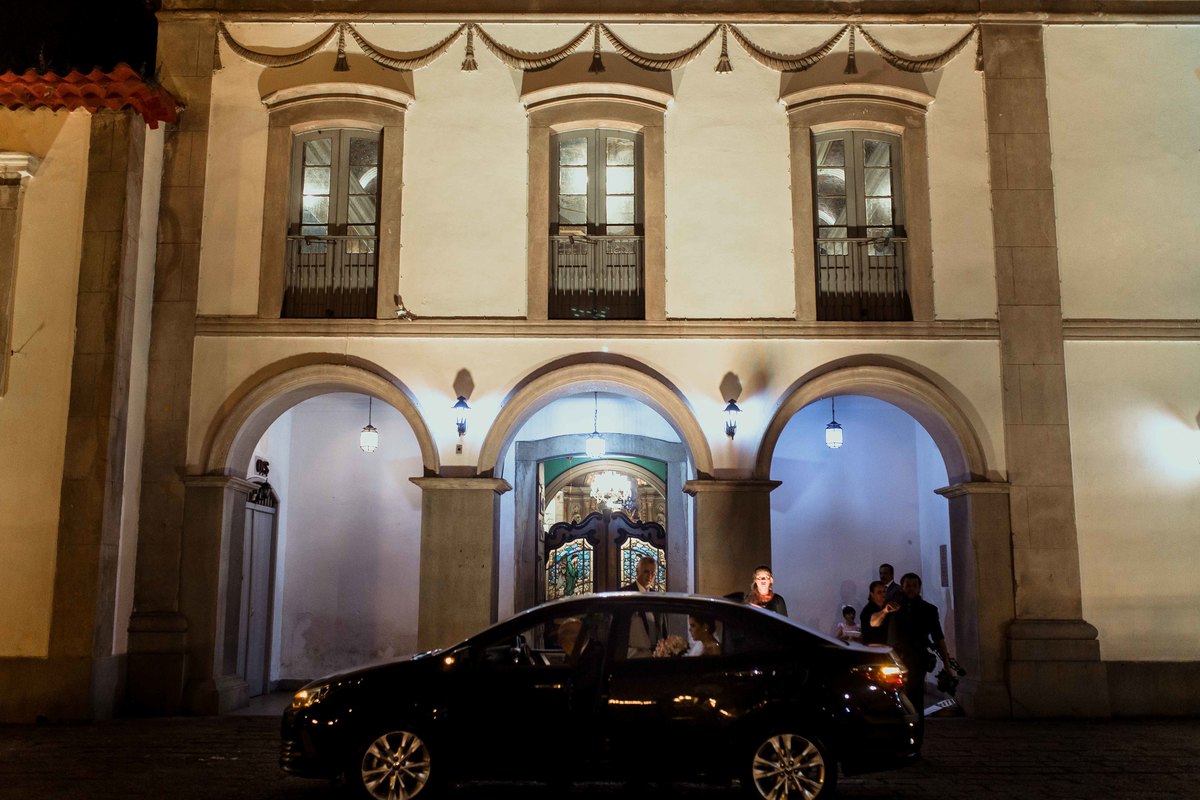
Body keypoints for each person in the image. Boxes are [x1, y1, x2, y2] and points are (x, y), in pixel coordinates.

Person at [888, 572, 953, 749]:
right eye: (908, 585)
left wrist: (946, 663)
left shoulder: (929, 610)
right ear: (902, 587)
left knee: (915, 698)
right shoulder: (893, 608)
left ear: (919, 588)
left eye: (914, 585)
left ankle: (916, 739)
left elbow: (938, 637)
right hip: (894, 659)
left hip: (916, 659)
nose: (911, 589)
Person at [623, 555, 660, 657]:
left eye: (653, 573)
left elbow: (661, 627)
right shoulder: (625, 594)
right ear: (637, 571)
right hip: (632, 654)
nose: (650, 576)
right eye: (646, 572)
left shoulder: (657, 596)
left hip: (656, 653)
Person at [860, 580, 893, 646]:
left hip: (883, 647)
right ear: (872, 594)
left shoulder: (885, 607)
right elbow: (874, 622)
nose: (883, 594)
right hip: (872, 649)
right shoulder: (867, 610)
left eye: (884, 591)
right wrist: (885, 611)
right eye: (879, 592)